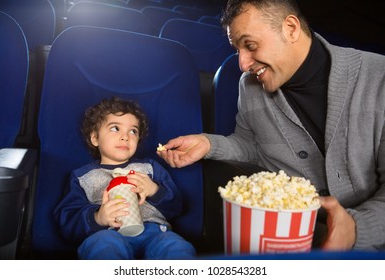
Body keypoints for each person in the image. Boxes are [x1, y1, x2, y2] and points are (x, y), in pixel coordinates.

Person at [157, 0, 385, 251]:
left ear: (290, 28)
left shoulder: (379, 77)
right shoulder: (249, 85)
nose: (243, 63)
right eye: (237, 49)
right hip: (284, 238)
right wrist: (209, 143)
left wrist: (356, 228)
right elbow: (252, 145)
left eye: (250, 45)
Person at [54, 97, 196, 259]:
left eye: (133, 131)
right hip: (108, 234)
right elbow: (67, 221)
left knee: (177, 247)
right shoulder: (82, 177)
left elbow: (176, 208)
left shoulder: (149, 168)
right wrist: (97, 218)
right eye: (115, 128)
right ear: (95, 138)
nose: (125, 136)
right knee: (102, 246)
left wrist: (154, 190)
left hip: (155, 233)